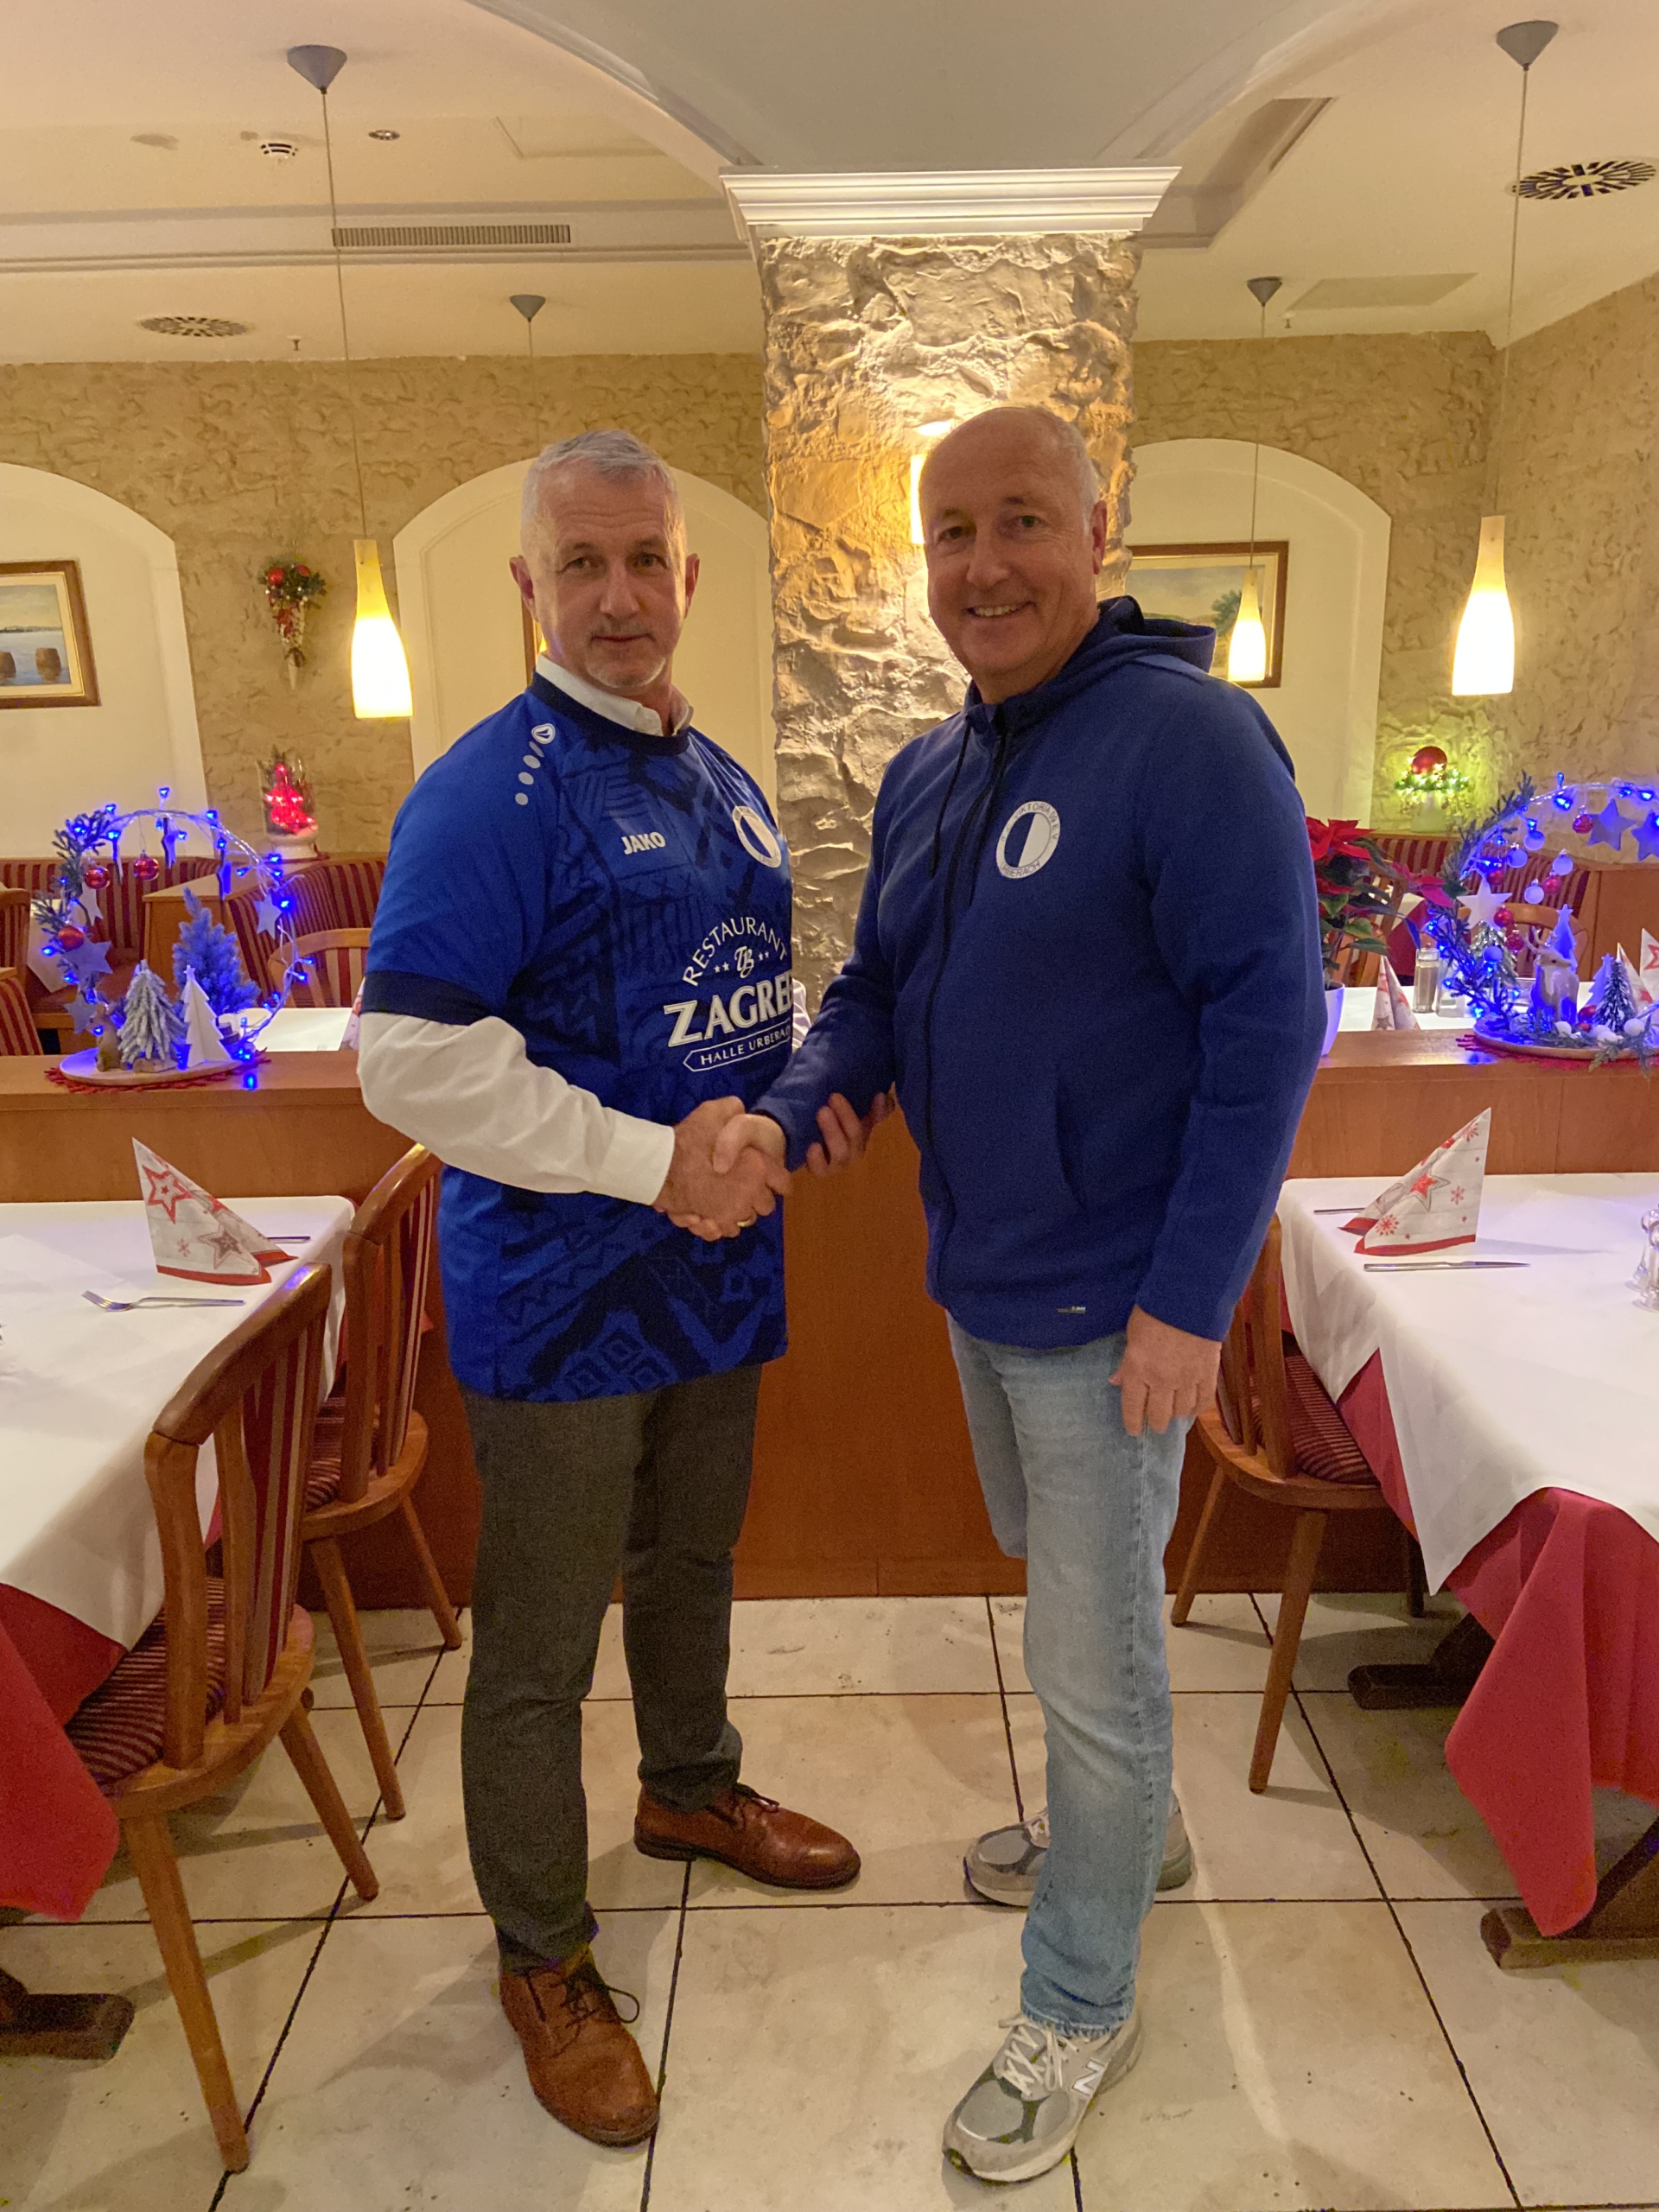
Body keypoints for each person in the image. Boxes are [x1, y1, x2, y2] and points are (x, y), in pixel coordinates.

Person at [717, 405, 1325, 2184]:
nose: (984, 565)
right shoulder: (931, 768)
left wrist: (1191, 1300)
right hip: (981, 1278)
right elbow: (875, 991)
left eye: (1023, 522)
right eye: (953, 533)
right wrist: (796, 1105)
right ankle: (1136, 1845)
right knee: (1071, 1599)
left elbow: (1269, 1029)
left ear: (1097, 530)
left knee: (1091, 1658)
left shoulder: (1195, 740)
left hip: (1118, 1309)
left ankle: (1080, 1994)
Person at [357, 429, 864, 2150]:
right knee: (540, 1640)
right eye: (584, 562)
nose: (621, 593)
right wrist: (661, 1165)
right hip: (563, 1295)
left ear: (688, 574)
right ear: (530, 584)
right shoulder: (486, 795)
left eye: (647, 558)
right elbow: (411, 1059)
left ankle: (690, 1787)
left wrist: (798, 1104)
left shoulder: (719, 775)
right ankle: (542, 1953)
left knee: (692, 1556)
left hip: (713, 1274)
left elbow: (732, 1004)